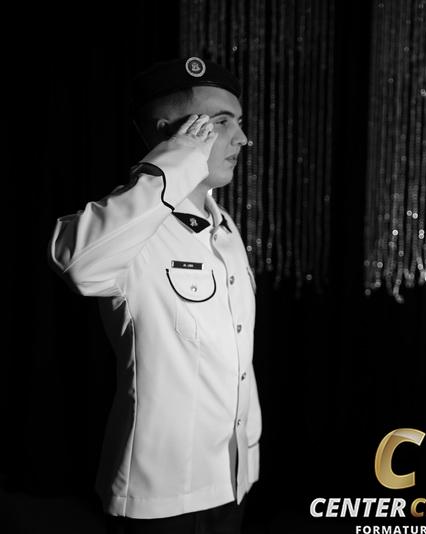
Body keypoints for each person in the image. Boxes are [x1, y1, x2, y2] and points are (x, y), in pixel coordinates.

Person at [48, 56, 261, 533]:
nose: (242, 139)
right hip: (161, 493)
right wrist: (176, 160)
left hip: (232, 477)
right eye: (220, 123)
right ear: (173, 135)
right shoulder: (129, 230)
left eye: (239, 123)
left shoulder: (225, 227)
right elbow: (78, 263)